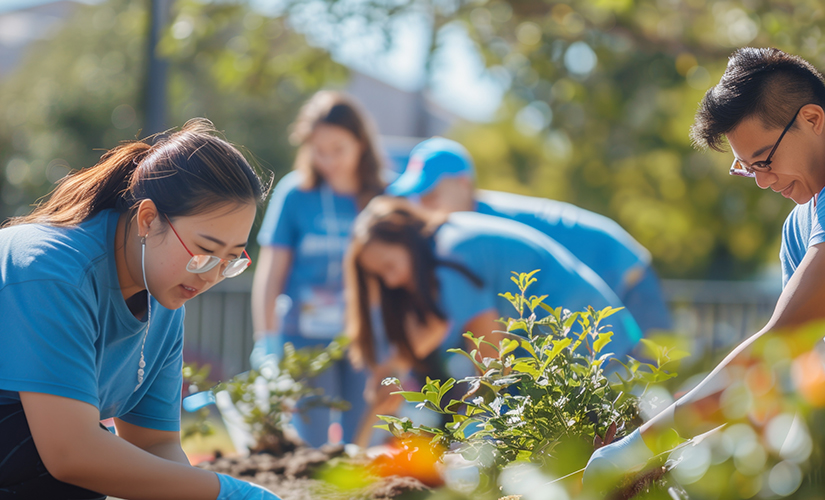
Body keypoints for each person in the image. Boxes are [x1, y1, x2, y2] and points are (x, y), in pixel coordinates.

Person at [584, 47, 825, 491]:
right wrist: (679, 457)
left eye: (765, 159)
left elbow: (784, 341)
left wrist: (641, 447)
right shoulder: (801, 226)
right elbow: (792, 378)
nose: (761, 180)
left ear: (812, 119)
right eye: (747, 167)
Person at [0, 119, 280, 499]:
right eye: (205, 252)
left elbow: (154, 446)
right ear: (148, 219)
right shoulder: (51, 270)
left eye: (231, 259)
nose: (212, 276)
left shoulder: (163, 297)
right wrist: (223, 491)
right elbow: (71, 454)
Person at [343, 196, 643, 439]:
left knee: (601, 445)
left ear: (405, 239)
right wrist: (393, 368)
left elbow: (492, 362)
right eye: (381, 276)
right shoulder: (445, 239)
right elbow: (436, 326)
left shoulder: (450, 258)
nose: (391, 281)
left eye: (389, 266)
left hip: (591, 342)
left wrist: (470, 435)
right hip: (594, 334)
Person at [385, 137, 673, 335]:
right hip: (607, 275)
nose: (423, 208)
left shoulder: (480, 229)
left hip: (622, 273)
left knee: (653, 390)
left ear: (464, 184)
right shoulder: (475, 222)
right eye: (417, 198)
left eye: (431, 195)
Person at [250, 91, 386, 447]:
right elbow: (269, 276)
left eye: (338, 148)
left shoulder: (387, 194)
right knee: (311, 444)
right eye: (318, 150)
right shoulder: (295, 193)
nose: (328, 160)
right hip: (304, 336)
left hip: (367, 337)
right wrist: (267, 341)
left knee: (365, 442)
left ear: (361, 142)